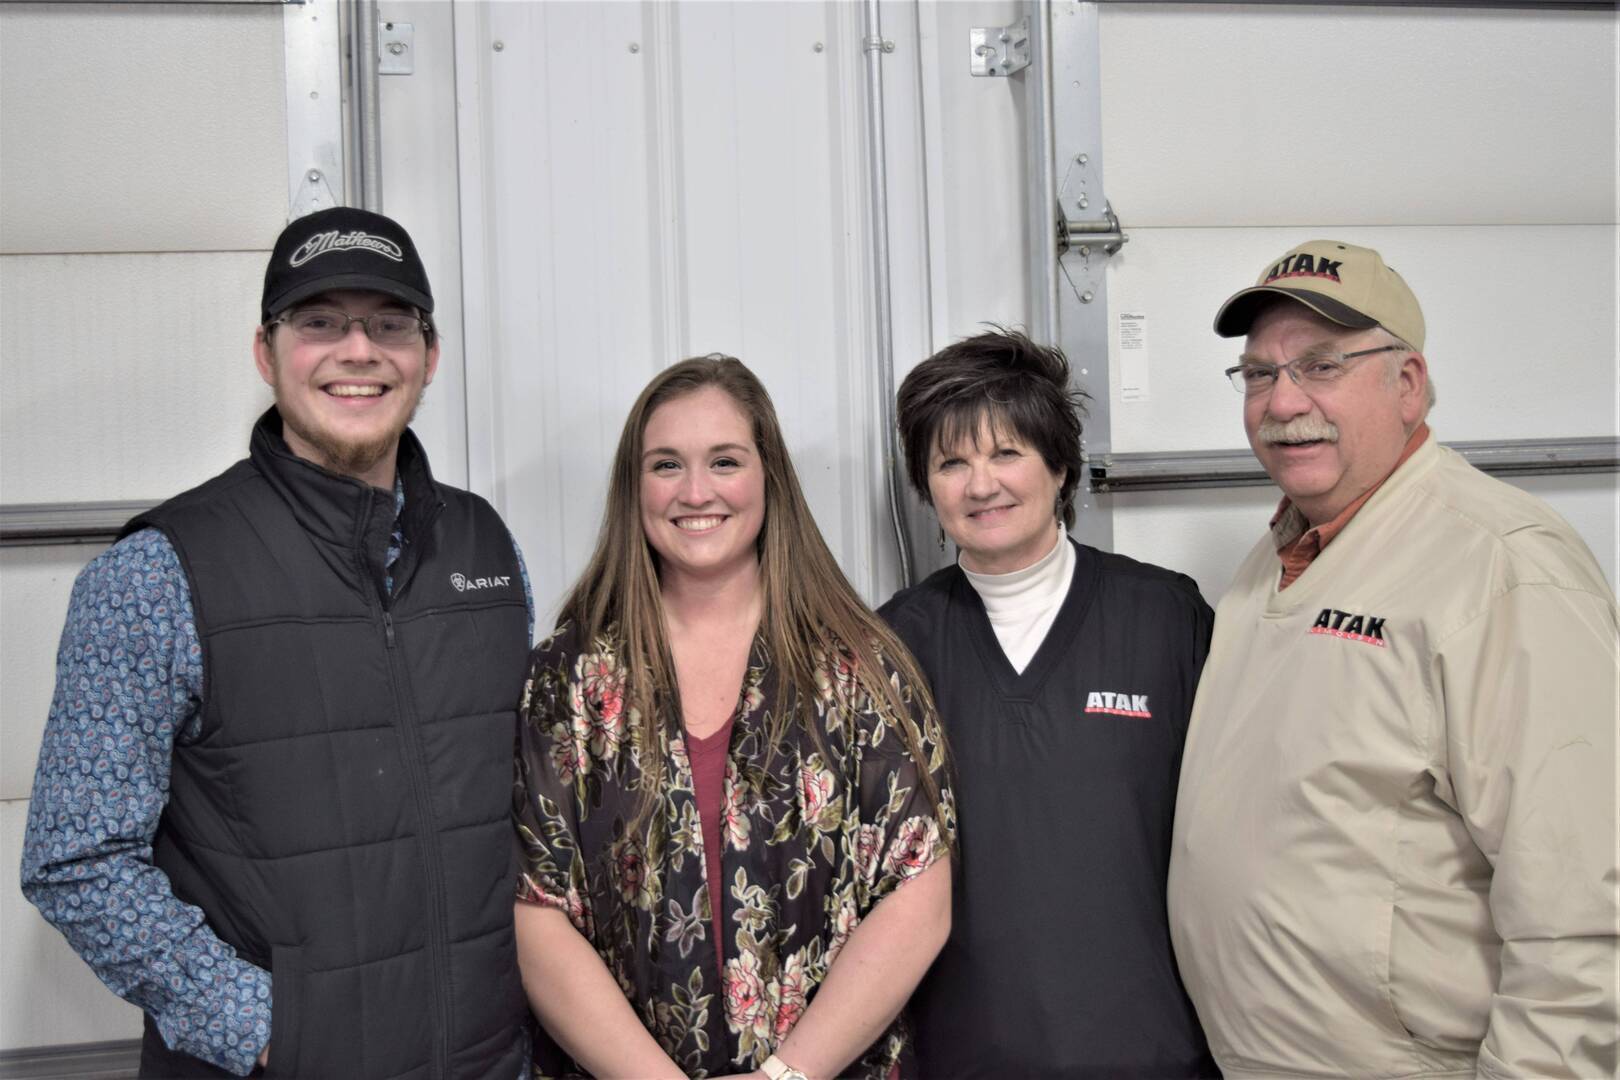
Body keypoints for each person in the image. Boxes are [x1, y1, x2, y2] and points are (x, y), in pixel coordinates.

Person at [20, 206, 534, 1079]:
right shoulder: (161, 572)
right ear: (266, 353)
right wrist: (272, 1031)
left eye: (389, 323)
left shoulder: (485, 546)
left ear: (429, 356)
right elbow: (77, 858)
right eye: (320, 322)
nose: (358, 350)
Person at [1168, 239, 1619, 1078]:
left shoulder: (1500, 565)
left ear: (1407, 384)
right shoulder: (1280, 553)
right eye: (1259, 374)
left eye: (1321, 366)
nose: (1283, 400)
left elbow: (1584, 910)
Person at [512, 355, 954, 1080]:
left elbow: (918, 889)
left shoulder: (858, 666)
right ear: (634, 487)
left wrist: (787, 1075)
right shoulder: (570, 679)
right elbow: (536, 909)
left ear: (768, 477)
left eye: (724, 460)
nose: (695, 492)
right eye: (665, 465)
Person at [879, 329, 1217, 1077]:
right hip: (961, 1056)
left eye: (1006, 453)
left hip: (1153, 1052)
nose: (981, 484)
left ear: (1059, 464)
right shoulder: (890, 647)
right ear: (925, 485)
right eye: (951, 462)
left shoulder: (1165, 618)